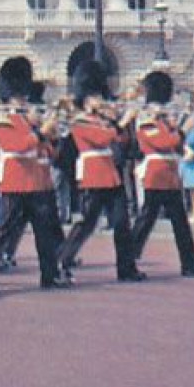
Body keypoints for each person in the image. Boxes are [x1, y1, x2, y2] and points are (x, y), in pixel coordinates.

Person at [0, 58, 69, 290]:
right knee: (5, 230)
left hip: (38, 182)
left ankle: (50, 274)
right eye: (20, 96)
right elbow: (15, 146)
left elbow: (46, 151)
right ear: (10, 96)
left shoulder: (28, 119)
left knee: (45, 232)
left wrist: (51, 136)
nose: (24, 100)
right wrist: (39, 132)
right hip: (16, 182)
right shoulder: (3, 119)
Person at [56, 61, 144, 282]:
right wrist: (121, 122)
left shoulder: (102, 119)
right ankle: (61, 260)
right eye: (96, 97)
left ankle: (126, 267)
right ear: (86, 101)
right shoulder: (80, 121)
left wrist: (121, 124)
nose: (101, 100)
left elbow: (122, 140)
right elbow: (101, 138)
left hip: (111, 176)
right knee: (87, 223)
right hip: (93, 177)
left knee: (122, 222)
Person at [130, 72, 194, 278]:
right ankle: (128, 259)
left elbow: (174, 145)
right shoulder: (146, 121)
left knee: (181, 223)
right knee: (145, 221)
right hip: (156, 176)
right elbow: (164, 143)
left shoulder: (163, 122)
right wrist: (182, 130)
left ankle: (190, 263)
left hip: (170, 177)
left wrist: (177, 130)